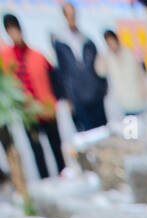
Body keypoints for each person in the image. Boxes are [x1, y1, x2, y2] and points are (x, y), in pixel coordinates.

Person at [1, 13, 65, 177]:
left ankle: (65, 178)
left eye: (16, 29)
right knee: (38, 153)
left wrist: (55, 102)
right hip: (29, 114)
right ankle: (46, 184)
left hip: (47, 111)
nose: (15, 34)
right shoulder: (7, 59)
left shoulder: (38, 56)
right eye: (11, 30)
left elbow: (55, 81)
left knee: (57, 150)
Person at [52, 1, 106, 131]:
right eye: (68, 15)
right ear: (64, 17)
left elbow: (98, 67)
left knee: (103, 130)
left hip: (95, 95)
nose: (71, 18)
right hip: (78, 99)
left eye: (73, 14)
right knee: (87, 132)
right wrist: (67, 98)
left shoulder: (87, 41)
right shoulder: (60, 43)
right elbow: (62, 73)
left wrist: (101, 89)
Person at [95, 30, 146, 119]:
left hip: (137, 98)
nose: (111, 45)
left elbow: (139, 73)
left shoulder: (129, 53)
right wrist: (102, 54)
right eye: (108, 43)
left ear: (116, 39)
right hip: (122, 102)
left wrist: (144, 90)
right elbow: (100, 71)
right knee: (131, 130)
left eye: (112, 41)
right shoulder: (108, 58)